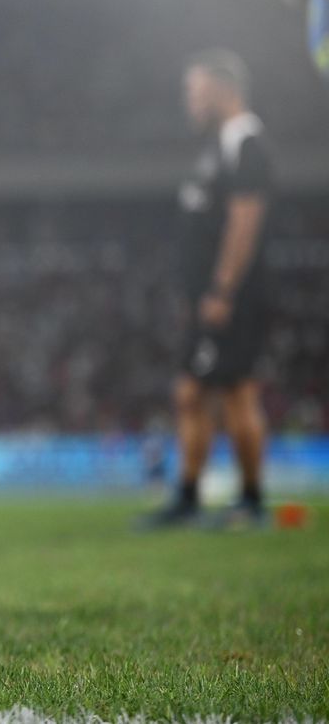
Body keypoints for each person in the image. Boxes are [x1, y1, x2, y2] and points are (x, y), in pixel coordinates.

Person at [141, 49, 274, 530]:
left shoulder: (245, 143)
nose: (189, 101)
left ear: (222, 89)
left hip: (231, 297)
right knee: (190, 394)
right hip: (210, 299)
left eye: (194, 91)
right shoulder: (219, 146)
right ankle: (190, 497)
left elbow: (245, 223)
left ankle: (252, 501)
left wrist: (221, 290)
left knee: (236, 393)